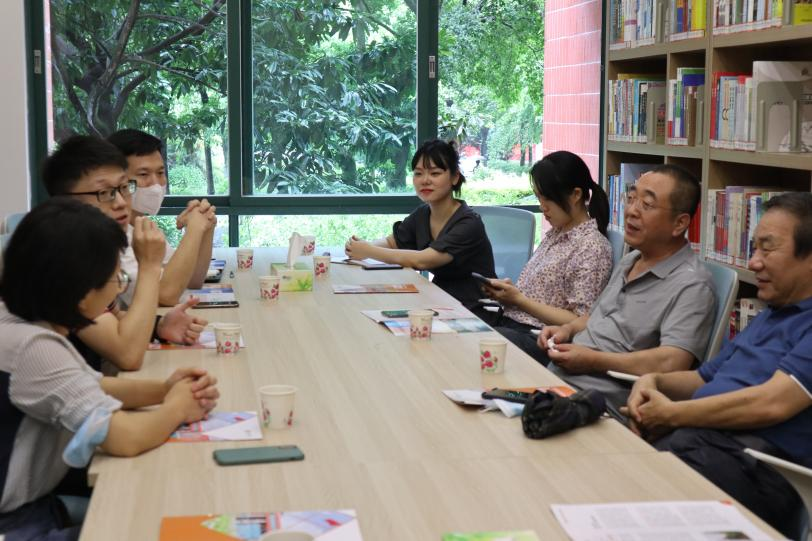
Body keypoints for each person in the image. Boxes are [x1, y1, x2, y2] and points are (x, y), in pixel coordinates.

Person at [0, 198, 219, 541]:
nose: (119, 288)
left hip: (35, 505)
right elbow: (124, 438)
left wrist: (165, 389)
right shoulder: (35, 348)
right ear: (82, 293)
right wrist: (178, 407)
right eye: (117, 278)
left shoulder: (18, 319)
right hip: (18, 524)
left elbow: (92, 386)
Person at [623, 192, 812, 538]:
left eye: (767, 249)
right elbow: (702, 378)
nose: (754, 263)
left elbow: (773, 403)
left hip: (759, 470)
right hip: (702, 442)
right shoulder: (771, 313)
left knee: (625, 494)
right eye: (753, 248)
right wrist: (653, 381)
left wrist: (672, 414)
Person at [538, 164, 715, 414]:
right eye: (631, 199)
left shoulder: (693, 285)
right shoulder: (631, 260)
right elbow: (595, 317)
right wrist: (566, 330)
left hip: (600, 402)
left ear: (679, 223)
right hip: (558, 379)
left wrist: (593, 361)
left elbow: (672, 362)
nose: (631, 211)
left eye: (647, 204)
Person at [41, 135, 206, 371]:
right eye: (104, 192)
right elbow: (128, 356)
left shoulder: (95, 245)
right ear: (65, 201)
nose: (120, 202)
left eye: (124, 188)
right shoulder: (60, 257)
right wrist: (149, 265)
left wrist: (159, 326)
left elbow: (113, 318)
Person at [479, 151, 612, 363]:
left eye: (548, 198)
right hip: (511, 324)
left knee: (475, 342)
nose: (542, 206)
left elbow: (579, 320)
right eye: (539, 197)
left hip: (540, 338)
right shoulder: (557, 233)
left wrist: (519, 300)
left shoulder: (592, 247)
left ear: (576, 195)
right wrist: (510, 294)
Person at [344, 139, 495, 309]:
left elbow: (423, 261)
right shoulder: (423, 214)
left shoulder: (468, 223)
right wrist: (360, 247)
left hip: (477, 308)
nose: (425, 180)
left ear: (455, 177)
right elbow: (392, 242)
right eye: (418, 173)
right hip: (439, 300)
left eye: (435, 173)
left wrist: (369, 251)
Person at [107, 129, 216, 307]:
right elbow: (165, 295)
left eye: (160, 173)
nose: (156, 184)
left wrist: (206, 226)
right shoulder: (111, 234)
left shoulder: (142, 225)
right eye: (143, 174)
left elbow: (193, 280)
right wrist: (194, 230)